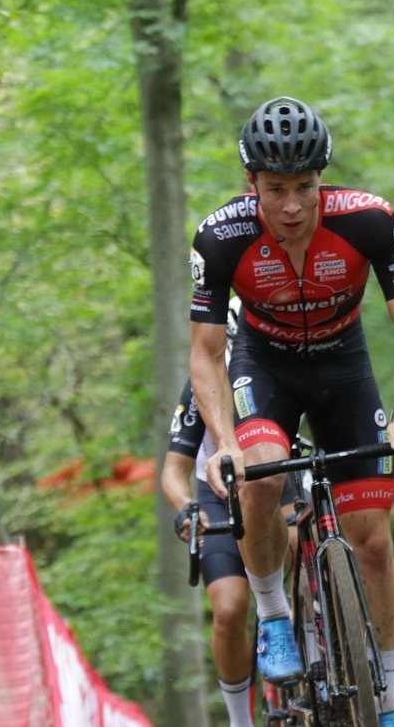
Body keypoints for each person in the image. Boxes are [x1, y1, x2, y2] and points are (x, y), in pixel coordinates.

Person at [193, 96, 394, 727]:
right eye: (276, 190)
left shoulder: (369, 222)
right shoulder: (221, 237)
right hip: (265, 364)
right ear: (251, 185)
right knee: (263, 472)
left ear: (323, 178)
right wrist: (222, 440)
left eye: (306, 187)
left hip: (343, 366)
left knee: (373, 543)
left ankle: (385, 702)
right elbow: (206, 351)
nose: (293, 206)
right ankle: (274, 614)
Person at [162, 298, 256, 727]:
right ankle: (240, 719)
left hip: (276, 485)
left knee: (296, 540)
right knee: (229, 608)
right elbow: (173, 472)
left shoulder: (275, 374)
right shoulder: (198, 386)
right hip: (218, 493)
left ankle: (314, 638)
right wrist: (186, 508)